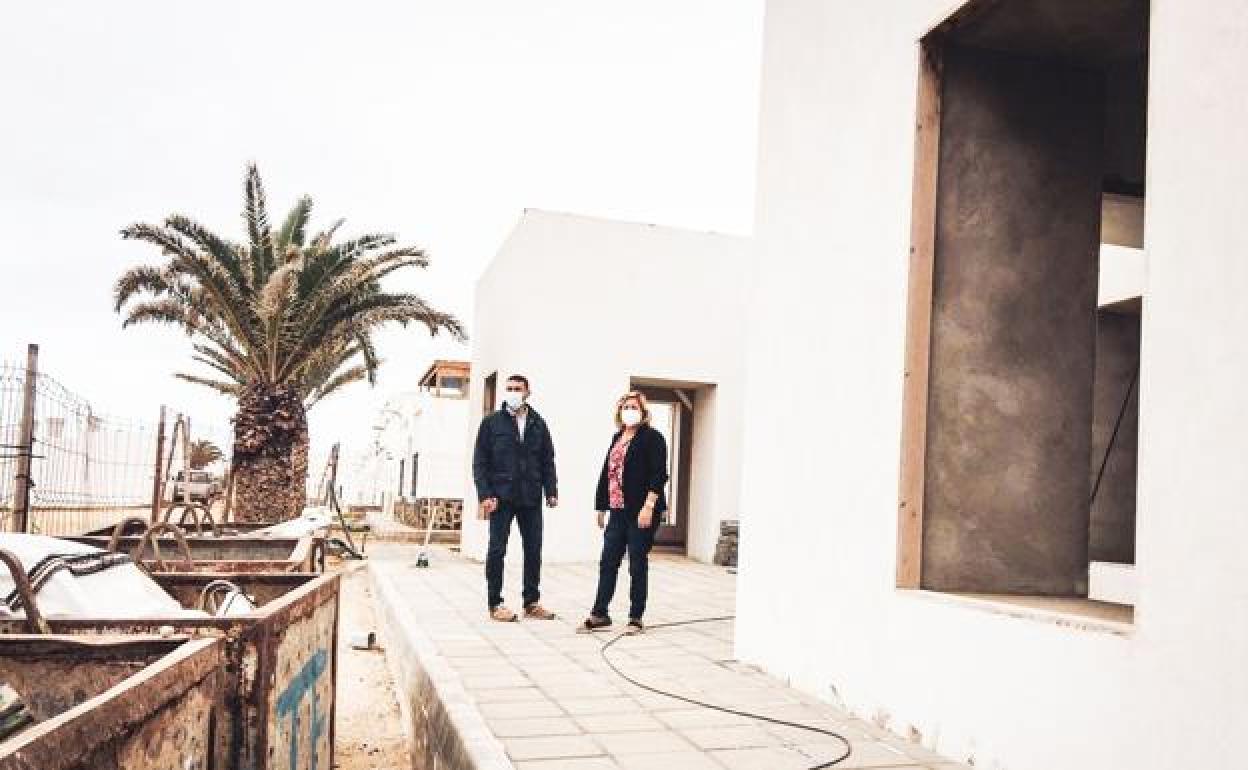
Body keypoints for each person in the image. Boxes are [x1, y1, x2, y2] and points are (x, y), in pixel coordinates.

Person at [580, 391, 668, 635]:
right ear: (619, 411)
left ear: (643, 411)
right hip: (617, 511)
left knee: (637, 564)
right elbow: (607, 473)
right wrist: (601, 505)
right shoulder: (617, 438)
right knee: (608, 561)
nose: (630, 410)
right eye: (626, 406)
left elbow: (659, 475)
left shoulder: (653, 438)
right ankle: (600, 613)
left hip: (641, 511)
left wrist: (649, 507)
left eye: (634, 406)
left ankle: (636, 617)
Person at [473, 374, 559, 622]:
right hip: (501, 497)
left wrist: (551, 490)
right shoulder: (491, 424)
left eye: (517, 388)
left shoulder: (538, 424)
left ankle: (531, 602)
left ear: (527, 392)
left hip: (530, 497)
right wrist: (485, 494)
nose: (512, 392)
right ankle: (495, 603)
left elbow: (547, 460)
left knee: (533, 550)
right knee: (497, 550)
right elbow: (480, 462)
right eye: (509, 388)